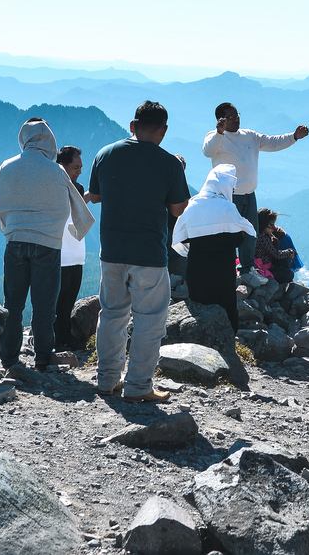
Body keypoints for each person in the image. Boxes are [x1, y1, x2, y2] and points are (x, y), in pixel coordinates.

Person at [89, 101, 192, 403]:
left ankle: (106, 380)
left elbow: (94, 196)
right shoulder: (169, 163)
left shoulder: (105, 154)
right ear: (164, 130)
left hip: (111, 250)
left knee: (111, 314)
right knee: (149, 320)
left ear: (132, 126)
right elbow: (178, 208)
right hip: (148, 253)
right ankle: (138, 386)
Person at [0, 119, 94, 372]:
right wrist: (61, 229)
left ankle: (9, 358)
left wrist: (9, 226)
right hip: (47, 243)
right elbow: (72, 205)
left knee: (12, 303)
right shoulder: (56, 171)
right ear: (49, 141)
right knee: (45, 305)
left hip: (15, 241)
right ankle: (43, 357)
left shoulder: (7, 167)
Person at [202, 103, 309, 279]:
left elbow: (272, 142)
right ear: (220, 120)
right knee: (229, 233)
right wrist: (219, 132)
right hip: (228, 195)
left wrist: (294, 136)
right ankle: (226, 269)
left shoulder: (249, 135)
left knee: (250, 232)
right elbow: (208, 151)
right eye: (230, 117)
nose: (236, 119)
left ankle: (247, 268)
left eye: (237, 114)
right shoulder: (215, 137)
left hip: (249, 194)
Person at [171, 164, 256, 333]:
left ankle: (200, 341)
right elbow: (243, 236)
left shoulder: (194, 205)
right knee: (226, 303)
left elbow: (181, 235)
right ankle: (229, 339)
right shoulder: (227, 208)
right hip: (223, 270)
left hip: (197, 267)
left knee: (199, 304)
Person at [54, 145, 88, 352]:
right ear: (62, 166)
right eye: (76, 167)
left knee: (68, 301)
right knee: (57, 301)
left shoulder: (79, 188)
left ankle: (64, 338)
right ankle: (54, 340)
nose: (79, 171)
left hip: (76, 250)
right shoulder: (53, 187)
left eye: (80, 167)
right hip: (58, 252)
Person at [255, 209, 298, 285]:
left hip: (263, 265)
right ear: (263, 224)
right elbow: (276, 254)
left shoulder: (258, 234)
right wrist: (290, 251)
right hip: (264, 269)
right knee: (289, 274)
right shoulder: (263, 238)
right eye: (271, 225)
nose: (274, 227)